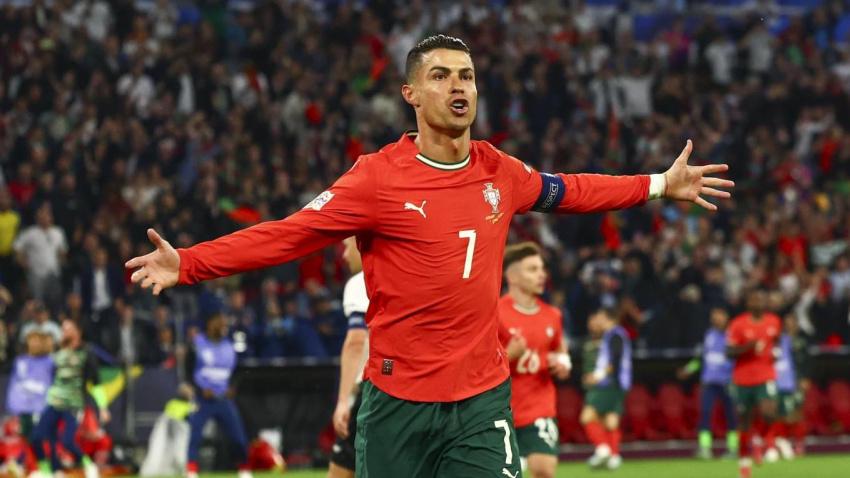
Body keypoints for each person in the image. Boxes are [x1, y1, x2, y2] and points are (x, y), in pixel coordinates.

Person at [126, 35, 732, 477]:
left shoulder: (498, 170)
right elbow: (290, 233)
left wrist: (657, 184)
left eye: (466, 75)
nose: (458, 86)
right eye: (441, 76)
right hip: (398, 404)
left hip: (481, 399)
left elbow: (570, 189)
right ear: (411, 94)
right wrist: (190, 263)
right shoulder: (376, 180)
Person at [498, 242, 570, 478]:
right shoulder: (494, 313)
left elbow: (561, 351)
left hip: (539, 406)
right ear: (512, 276)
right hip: (500, 408)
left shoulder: (552, 315)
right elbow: (475, 365)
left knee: (544, 469)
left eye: (542, 269)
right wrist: (509, 355)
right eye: (533, 269)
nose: (542, 275)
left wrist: (562, 365)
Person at [29, 319, 110, 478]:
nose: (64, 332)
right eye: (63, 329)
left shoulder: (86, 352)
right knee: (38, 437)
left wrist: (103, 407)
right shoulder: (57, 352)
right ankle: (49, 472)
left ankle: (88, 465)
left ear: (78, 331)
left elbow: (95, 383)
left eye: (68, 329)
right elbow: (48, 378)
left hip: (73, 404)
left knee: (67, 440)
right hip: (53, 402)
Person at [185, 312, 252, 478]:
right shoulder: (197, 344)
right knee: (195, 435)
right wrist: (200, 390)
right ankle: (191, 470)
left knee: (238, 436)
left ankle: (244, 469)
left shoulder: (230, 346)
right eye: (219, 321)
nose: (223, 325)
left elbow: (240, 369)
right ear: (209, 323)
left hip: (223, 398)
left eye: (224, 322)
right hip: (204, 398)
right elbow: (188, 370)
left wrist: (233, 387)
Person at [726, 290, 781, 478]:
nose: (757, 302)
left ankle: (759, 439)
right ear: (748, 303)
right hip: (743, 378)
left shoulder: (773, 321)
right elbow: (729, 352)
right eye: (753, 299)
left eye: (760, 299)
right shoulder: (738, 324)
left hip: (766, 375)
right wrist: (747, 348)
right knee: (744, 421)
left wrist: (776, 354)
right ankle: (744, 466)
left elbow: (776, 341)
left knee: (769, 413)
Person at [328, 237, 370, 478]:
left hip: (374, 389)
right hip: (414, 386)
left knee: (342, 469)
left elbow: (356, 342)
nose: (344, 256)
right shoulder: (408, 275)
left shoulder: (360, 282)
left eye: (347, 247)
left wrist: (344, 400)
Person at [677, 308, 738, 459]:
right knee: (705, 413)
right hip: (709, 382)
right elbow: (700, 358)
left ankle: (733, 448)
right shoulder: (708, 335)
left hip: (728, 382)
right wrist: (688, 369)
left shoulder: (734, 335)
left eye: (719, 316)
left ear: (726, 317)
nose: (716, 319)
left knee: (731, 416)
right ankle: (705, 448)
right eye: (713, 316)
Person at [581, 308, 632, 470]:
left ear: (609, 318)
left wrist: (598, 376)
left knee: (587, 416)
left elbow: (614, 362)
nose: (598, 319)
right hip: (616, 384)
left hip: (610, 384)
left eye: (600, 317)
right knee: (610, 420)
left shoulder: (615, 335)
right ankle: (614, 456)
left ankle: (603, 449)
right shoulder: (613, 335)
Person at [6, 331, 53, 473]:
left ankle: (28, 464)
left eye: (34, 341)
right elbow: (17, 382)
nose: (31, 344)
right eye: (30, 341)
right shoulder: (22, 361)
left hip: (40, 405)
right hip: (26, 406)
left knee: (36, 437)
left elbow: (47, 383)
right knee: (29, 436)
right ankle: (22, 463)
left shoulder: (48, 362)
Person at [763, 315, 806, 462]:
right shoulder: (766, 343)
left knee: (789, 416)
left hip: (787, 384)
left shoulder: (790, 341)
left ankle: (784, 441)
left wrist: (799, 379)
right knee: (771, 416)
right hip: (771, 383)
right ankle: (772, 445)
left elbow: (799, 361)